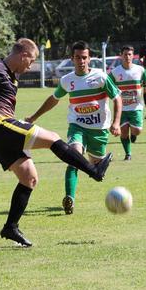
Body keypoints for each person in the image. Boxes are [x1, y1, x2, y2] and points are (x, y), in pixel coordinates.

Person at [0, 38, 113, 246]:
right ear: (23, 54)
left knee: (29, 178)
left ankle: (10, 227)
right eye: (31, 60)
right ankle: (93, 171)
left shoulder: (11, 77)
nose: (31, 66)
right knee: (53, 138)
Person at [26, 41, 121, 215]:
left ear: (89, 58)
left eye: (84, 57)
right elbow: (54, 99)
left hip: (99, 130)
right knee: (74, 158)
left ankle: (100, 165)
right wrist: (34, 117)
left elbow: (117, 98)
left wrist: (116, 122)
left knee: (95, 165)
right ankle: (69, 198)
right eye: (78, 57)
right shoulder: (67, 80)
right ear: (72, 59)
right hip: (77, 126)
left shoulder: (101, 77)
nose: (81, 61)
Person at [108, 45, 146, 160]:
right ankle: (128, 154)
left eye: (129, 54)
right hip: (122, 108)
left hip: (136, 107)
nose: (127, 57)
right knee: (124, 132)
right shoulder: (115, 72)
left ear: (132, 56)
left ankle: (134, 135)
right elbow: (107, 83)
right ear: (121, 56)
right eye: (125, 54)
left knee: (137, 130)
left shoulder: (139, 70)